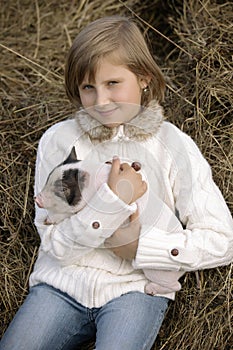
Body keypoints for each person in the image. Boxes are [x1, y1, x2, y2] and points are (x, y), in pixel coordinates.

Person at [1, 15, 233, 350]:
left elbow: (223, 240)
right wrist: (111, 203)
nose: (101, 102)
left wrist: (142, 250)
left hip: (136, 290)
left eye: (113, 83)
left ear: (143, 78)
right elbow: (56, 245)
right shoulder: (59, 140)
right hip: (61, 285)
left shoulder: (174, 144)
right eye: (88, 88)